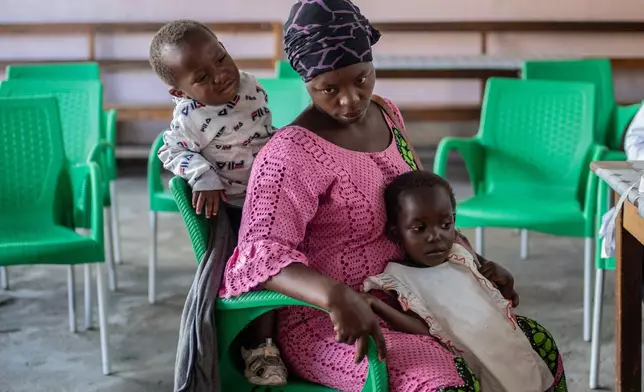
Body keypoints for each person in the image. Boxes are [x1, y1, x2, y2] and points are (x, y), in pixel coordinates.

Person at [220, 1, 567, 391]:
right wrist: (335, 295)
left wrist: (476, 264)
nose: (350, 100)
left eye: (361, 79)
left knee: (537, 349)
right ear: (306, 82)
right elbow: (260, 253)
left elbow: (420, 206)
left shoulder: (386, 114)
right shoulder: (290, 153)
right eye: (328, 89)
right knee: (443, 383)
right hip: (333, 323)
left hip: (417, 295)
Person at [148, 20, 286, 386]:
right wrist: (204, 176)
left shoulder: (251, 86)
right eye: (202, 77)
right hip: (238, 209)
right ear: (179, 91)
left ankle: (292, 337)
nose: (221, 75)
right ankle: (260, 350)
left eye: (221, 58)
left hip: (273, 197)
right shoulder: (190, 116)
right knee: (263, 270)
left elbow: (264, 135)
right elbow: (170, 150)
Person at [363, 170, 555, 391]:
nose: (435, 236)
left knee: (534, 376)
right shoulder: (400, 278)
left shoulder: (460, 255)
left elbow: (495, 301)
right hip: (477, 362)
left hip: (507, 348)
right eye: (419, 228)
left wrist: (507, 280)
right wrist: (376, 305)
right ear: (396, 233)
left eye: (445, 225)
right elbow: (423, 329)